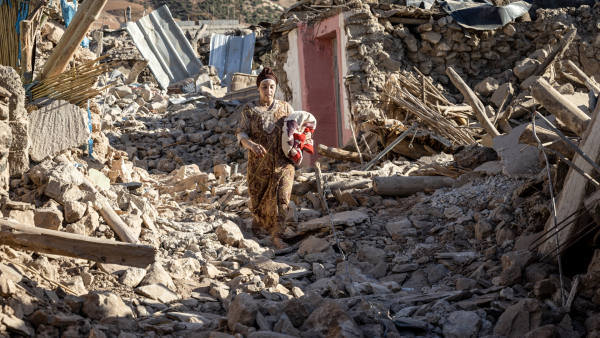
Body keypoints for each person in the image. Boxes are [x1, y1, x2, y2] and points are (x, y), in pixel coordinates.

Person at [236, 67, 295, 249]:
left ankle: (277, 236)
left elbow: (297, 128)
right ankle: (257, 218)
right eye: (264, 87)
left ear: (275, 88)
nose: (268, 91)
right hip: (258, 164)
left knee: (282, 198)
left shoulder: (285, 108)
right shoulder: (249, 110)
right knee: (258, 197)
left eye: (271, 87)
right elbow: (241, 133)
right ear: (258, 88)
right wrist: (251, 145)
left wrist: (303, 140)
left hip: (283, 162)